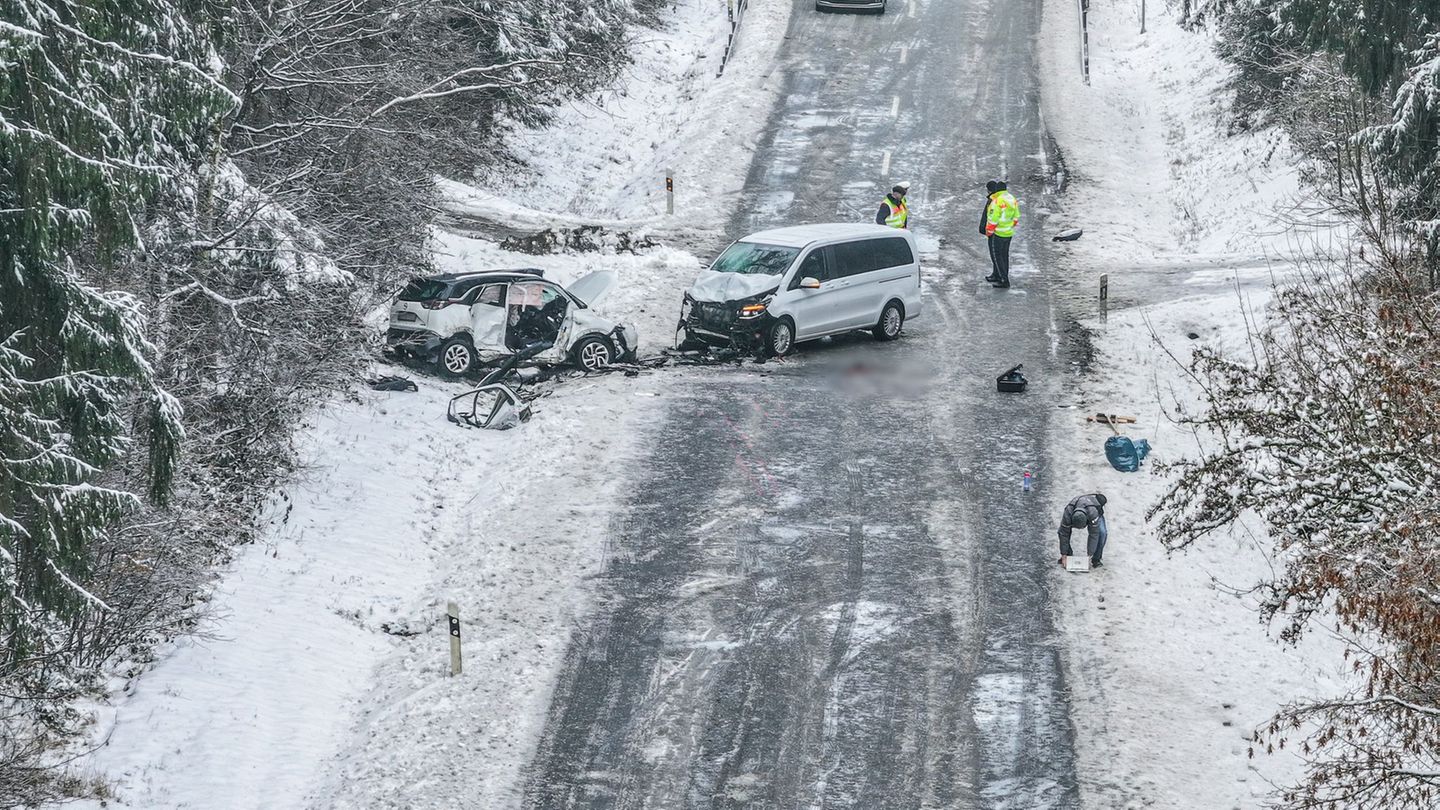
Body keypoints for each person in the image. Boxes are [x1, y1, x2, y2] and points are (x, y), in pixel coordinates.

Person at [979, 179, 1020, 287]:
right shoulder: (1012, 199)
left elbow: (993, 220)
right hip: (1008, 233)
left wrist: (989, 232)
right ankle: (998, 275)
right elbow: (1016, 217)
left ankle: (1003, 280)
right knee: (1004, 256)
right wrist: (1009, 226)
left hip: (997, 234)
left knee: (997, 257)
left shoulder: (996, 201)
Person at [1058, 493, 1108, 568]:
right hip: (1078, 506)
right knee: (1062, 531)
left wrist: (1089, 556)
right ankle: (1067, 555)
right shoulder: (1068, 512)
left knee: (1102, 533)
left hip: (1093, 509)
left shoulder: (1093, 512)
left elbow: (1094, 534)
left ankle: (1096, 559)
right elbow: (1063, 533)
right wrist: (1063, 554)